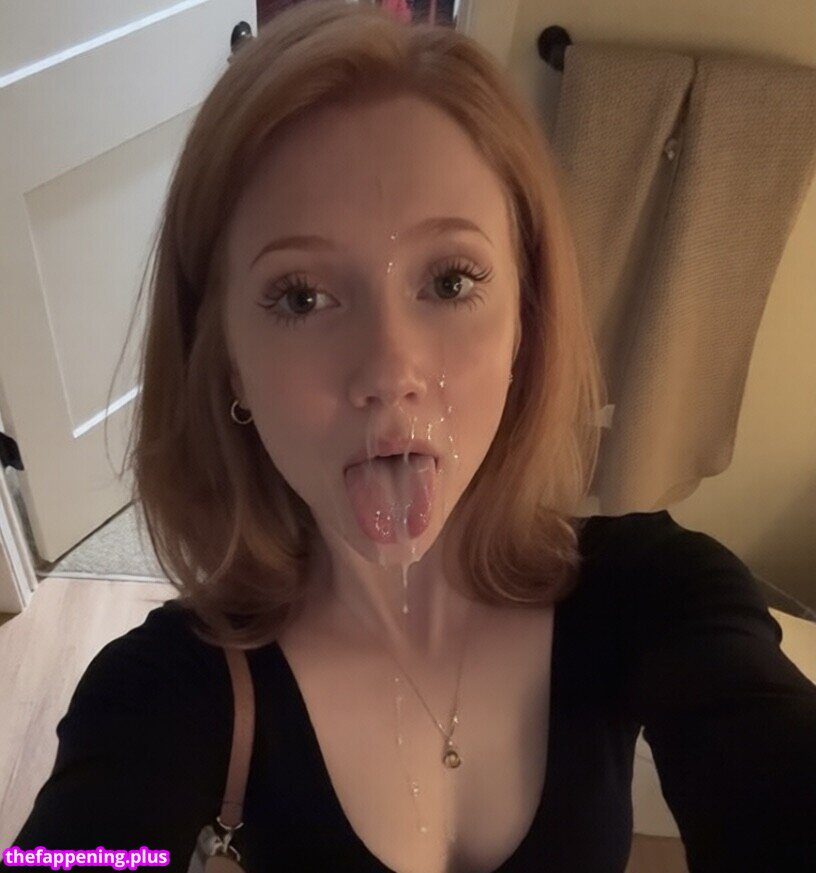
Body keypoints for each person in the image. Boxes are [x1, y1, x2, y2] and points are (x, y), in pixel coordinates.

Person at [4, 2, 816, 872]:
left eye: (452, 281)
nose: (391, 370)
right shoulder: (159, 694)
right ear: (227, 361)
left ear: (526, 323)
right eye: (301, 296)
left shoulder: (660, 592)